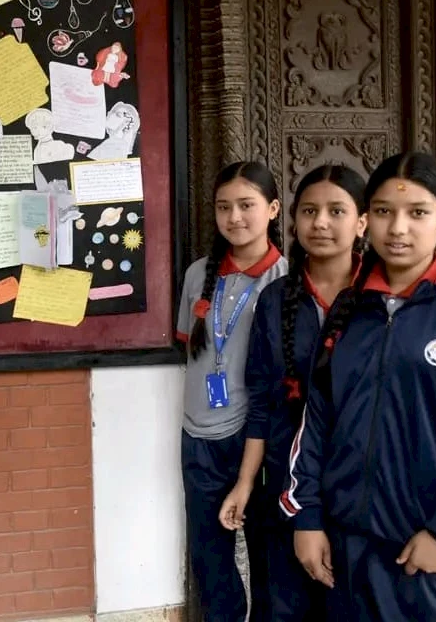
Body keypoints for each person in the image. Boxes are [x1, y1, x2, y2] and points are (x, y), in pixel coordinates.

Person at [284, 151, 436, 621]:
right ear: (367, 219)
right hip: (346, 553)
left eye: (418, 212)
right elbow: (316, 421)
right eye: (383, 211)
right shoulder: (350, 311)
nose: (398, 229)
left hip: (427, 556)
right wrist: (307, 516)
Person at [220, 164, 367, 620]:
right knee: (284, 605)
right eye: (309, 211)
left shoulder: (381, 301)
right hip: (287, 484)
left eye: (336, 211)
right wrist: (246, 482)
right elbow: (262, 402)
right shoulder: (275, 299)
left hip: (360, 486)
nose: (320, 222)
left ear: (362, 221)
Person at [175, 161, 287, 622]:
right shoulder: (197, 275)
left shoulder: (285, 281)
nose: (234, 217)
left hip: (258, 437)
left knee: (267, 554)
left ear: (273, 209)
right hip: (198, 435)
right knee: (209, 559)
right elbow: (190, 348)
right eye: (224, 207)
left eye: (246, 205)